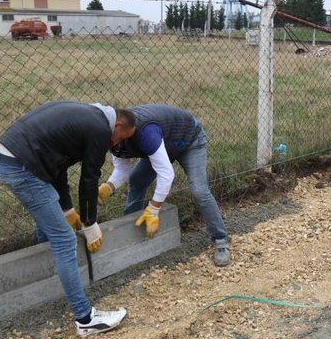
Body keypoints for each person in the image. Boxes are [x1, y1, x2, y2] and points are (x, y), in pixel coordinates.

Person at [0, 101, 136, 337]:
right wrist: (90, 224)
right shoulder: (100, 130)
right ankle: (86, 319)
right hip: (21, 167)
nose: (118, 143)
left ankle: (49, 284)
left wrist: (67, 209)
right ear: (118, 124)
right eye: (121, 137)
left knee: (50, 224)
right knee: (65, 240)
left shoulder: (88, 117)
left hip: (9, 158)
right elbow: (89, 180)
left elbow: (58, 166)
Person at [97, 104, 231, 267]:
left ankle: (220, 240)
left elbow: (166, 175)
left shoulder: (144, 133)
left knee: (199, 191)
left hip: (189, 141)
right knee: (137, 180)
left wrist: (153, 209)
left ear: (119, 128)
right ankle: (129, 233)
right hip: (163, 145)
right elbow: (122, 168)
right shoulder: (114, 137)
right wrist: (109, 186)